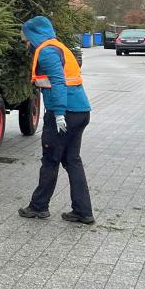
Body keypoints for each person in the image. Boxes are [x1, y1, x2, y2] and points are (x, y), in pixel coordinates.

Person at [17, 16, 95, 224]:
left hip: (65, 113)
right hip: (79, 111)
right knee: (72, 160)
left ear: (34, 34)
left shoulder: (47, 51)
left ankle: (38, 207)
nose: (26, 42)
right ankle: (83, 211)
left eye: (26, 38)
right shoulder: (57, 46)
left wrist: (59, 113)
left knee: (50, 160)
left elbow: (59, 82)